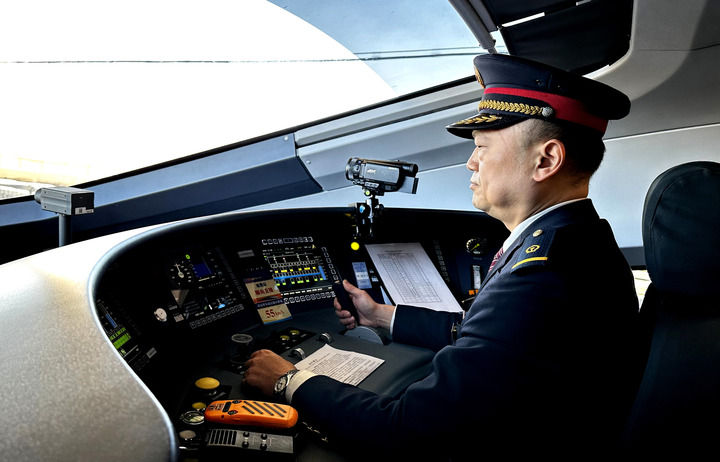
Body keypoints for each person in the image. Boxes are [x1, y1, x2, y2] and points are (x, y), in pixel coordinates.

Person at [244, 54, 642, 459]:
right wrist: (380, 316)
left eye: (482, 147)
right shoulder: (580, 241)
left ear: (546, 160)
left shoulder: (542, 275)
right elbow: (480, 335)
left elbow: (405, 431)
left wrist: (289, 381)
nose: (471, 162)